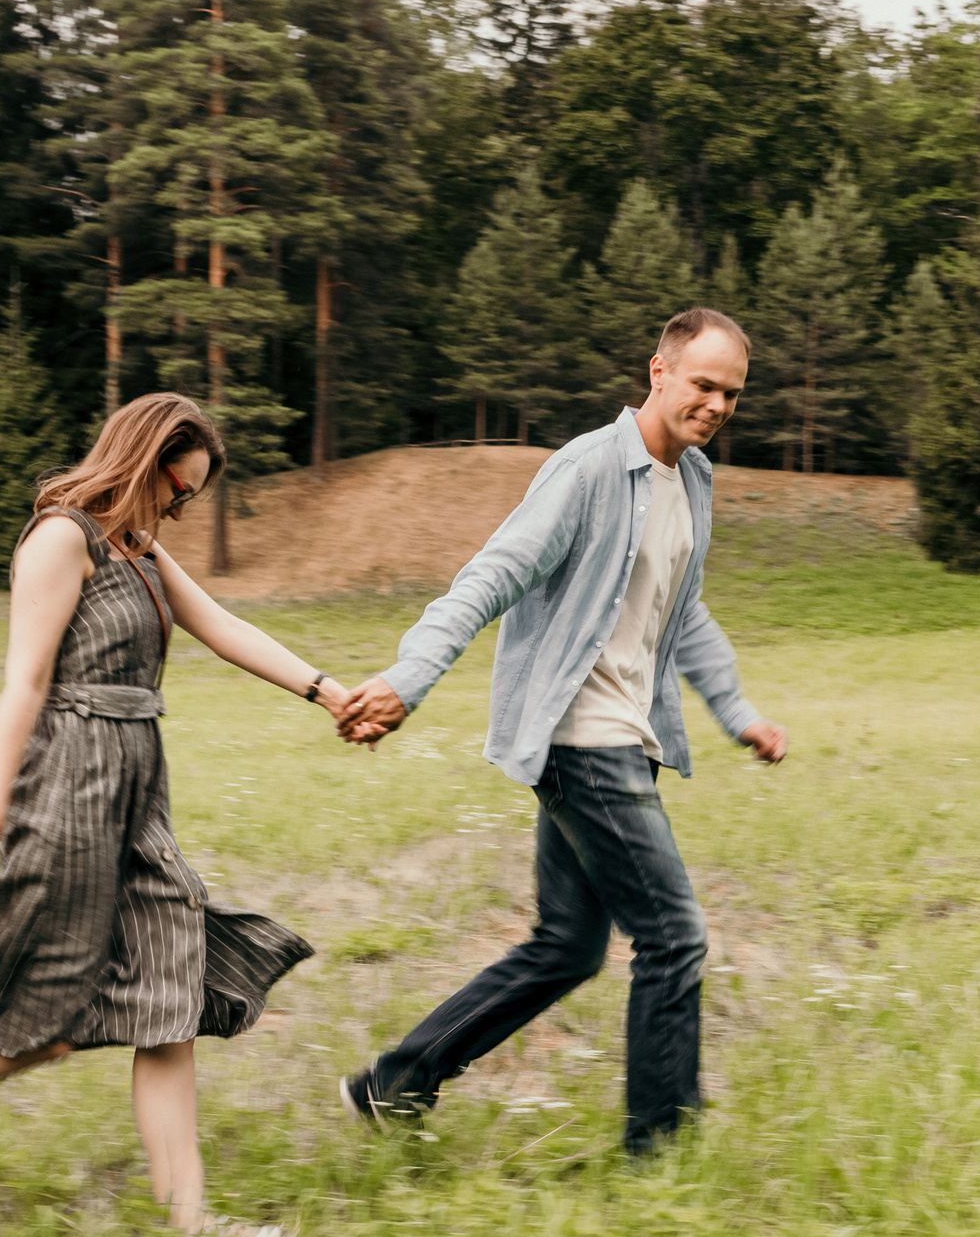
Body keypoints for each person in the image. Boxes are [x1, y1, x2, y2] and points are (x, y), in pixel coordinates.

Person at [0, 392, 369, 1237]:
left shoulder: (139, 549)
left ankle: (193, 1224)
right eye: (177, 489)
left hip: (137, 791)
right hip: (70, 787)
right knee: (41, 1020)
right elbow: (23, 681)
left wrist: (328, 692)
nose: (178, 508)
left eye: (189, 499)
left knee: (169, 995)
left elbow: (218, 624)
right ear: (141, 459)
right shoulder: (63, 537)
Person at [333, 307, 787, 1158]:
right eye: (704, 384)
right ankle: (661, 1153)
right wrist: (409, 678)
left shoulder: (692, 481)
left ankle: (395, 1083)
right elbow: (490, 576)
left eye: (732, 393)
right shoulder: (585, 469)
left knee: (568, 946)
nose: (718, 405)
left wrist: (740, 713)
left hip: (627, 736)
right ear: (658, 371)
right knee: (675, 934)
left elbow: (683, 614)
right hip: (584, 737)